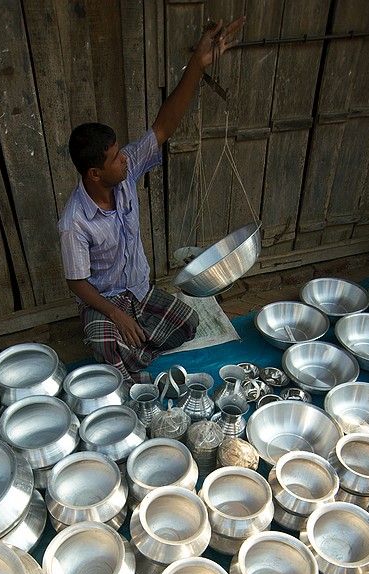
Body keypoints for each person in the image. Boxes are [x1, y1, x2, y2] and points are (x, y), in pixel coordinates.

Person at [58, 17, 245, 383]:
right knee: (108, 342)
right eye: (115, 157)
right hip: (107, 302)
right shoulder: (74, 222)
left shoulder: (123, 174)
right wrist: (117, 315)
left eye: (120, 152)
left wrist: (198, 64)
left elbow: (163, 125)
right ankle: (128, 347)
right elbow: (78, 283)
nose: (124, 159)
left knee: (188, 323)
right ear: (95, 173)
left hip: (140, 293)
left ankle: (133, 351)